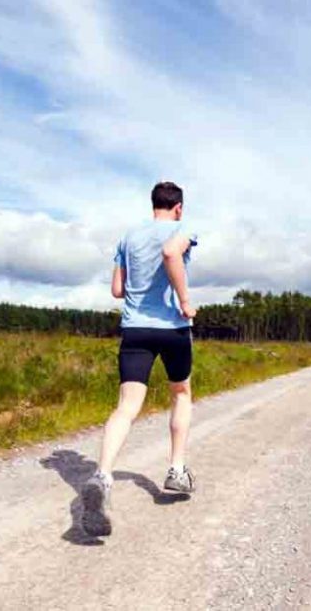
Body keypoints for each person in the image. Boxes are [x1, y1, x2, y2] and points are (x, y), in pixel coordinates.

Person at [81, 181, 198, 537]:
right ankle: (176, 470)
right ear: (178, 207)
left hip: (135, 329)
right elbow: (170, 253)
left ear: (153, 204)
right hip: (173, 328)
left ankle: (102, 475)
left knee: (127, 406)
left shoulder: (128, 238)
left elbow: (118, 289)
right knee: (181, 393)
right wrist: (185, 300)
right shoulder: (183, 229)